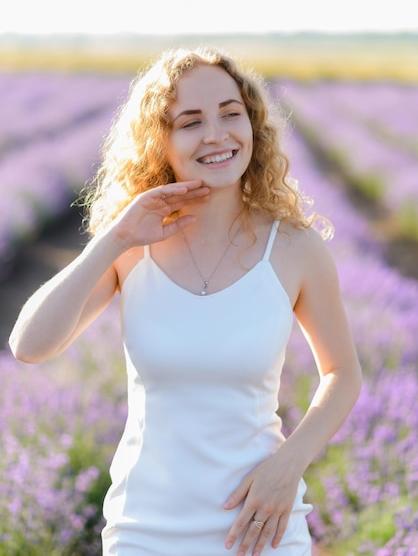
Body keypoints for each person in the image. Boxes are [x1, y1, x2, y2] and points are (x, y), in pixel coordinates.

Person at [9, 46, 362, 556]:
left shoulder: (293, 247)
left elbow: (342, 373)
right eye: (191, 121)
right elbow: (28, 345)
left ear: (253, 126)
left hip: (262, 523)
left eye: (230, 114)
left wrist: (290, 464)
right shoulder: (131, 250)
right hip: (145, 529)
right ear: (161, 141)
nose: (217, 135)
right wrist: (114, 237)